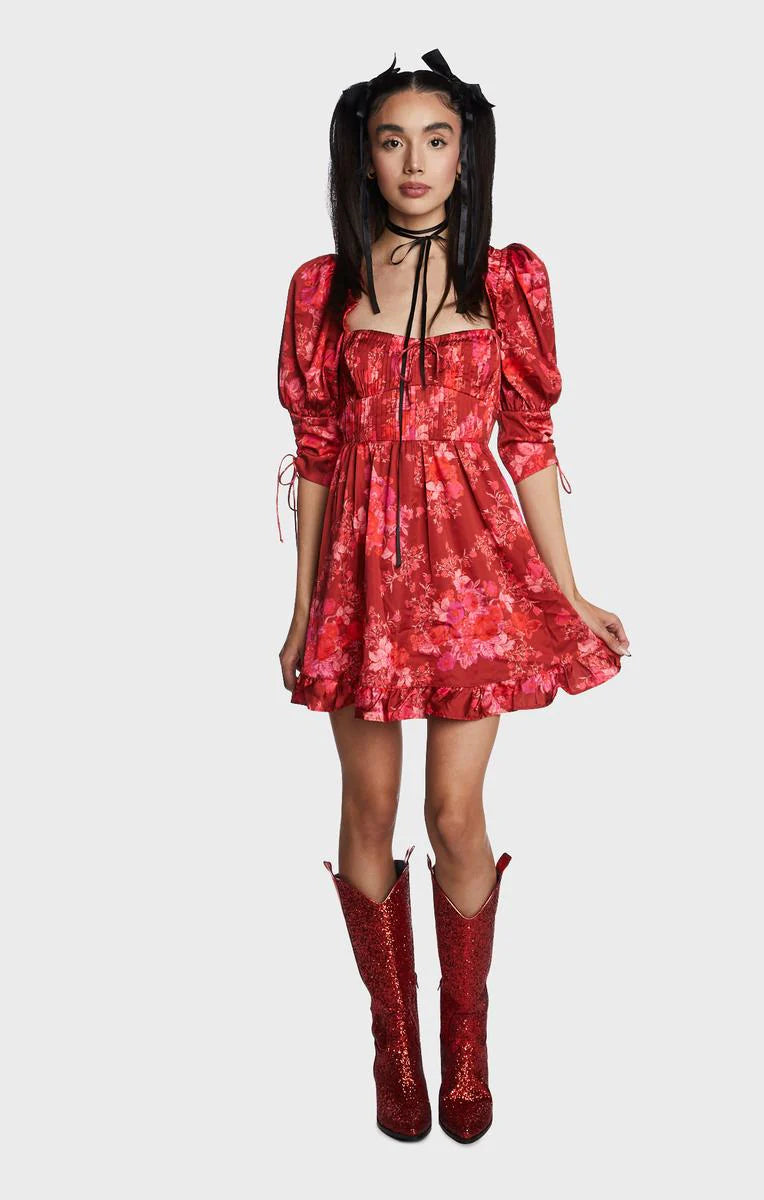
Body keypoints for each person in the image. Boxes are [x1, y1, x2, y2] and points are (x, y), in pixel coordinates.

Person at [275, 49, 630, 1144]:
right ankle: (395, 1046)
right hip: (361, 583)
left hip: (475, 576)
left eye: (436, 140)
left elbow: (528, 442)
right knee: (367, 807)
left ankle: (466, 1045)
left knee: (453, 811)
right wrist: (301, 610)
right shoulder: (323, 286)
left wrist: (568, 589)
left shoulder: (508, 278)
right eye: (392, 141)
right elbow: (318, 455)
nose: (415, 161)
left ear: (466, 155)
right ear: (364, 157)